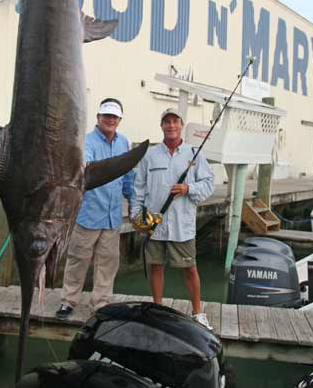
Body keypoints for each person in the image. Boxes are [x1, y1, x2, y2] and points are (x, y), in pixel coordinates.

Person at [131, 108, 214, 328]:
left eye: (175, 121)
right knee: (155, 266)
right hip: (154, 223)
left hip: (182, 225)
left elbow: (208, 184)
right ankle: (157, 308)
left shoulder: (193, 154)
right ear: (161, 126)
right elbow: (138, 187)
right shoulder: (150, 155)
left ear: (181, 124)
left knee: (190, 268)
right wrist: (135, 214)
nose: (171, 126)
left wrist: (188, 188)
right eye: (166, 122)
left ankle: (198, 312)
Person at [56, 98, 134, 319]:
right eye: (106, 115)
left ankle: (101, 303)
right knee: (77, 260)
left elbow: (128, 178)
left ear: (119, 120)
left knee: (108, 263)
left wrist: (135, 206)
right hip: (88, 215)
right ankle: (68, 301)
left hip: (112, 217)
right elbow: (84, 167)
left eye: (114, 116)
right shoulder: (86, 141)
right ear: (98, 118)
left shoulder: (123, 143)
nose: (110, 120)